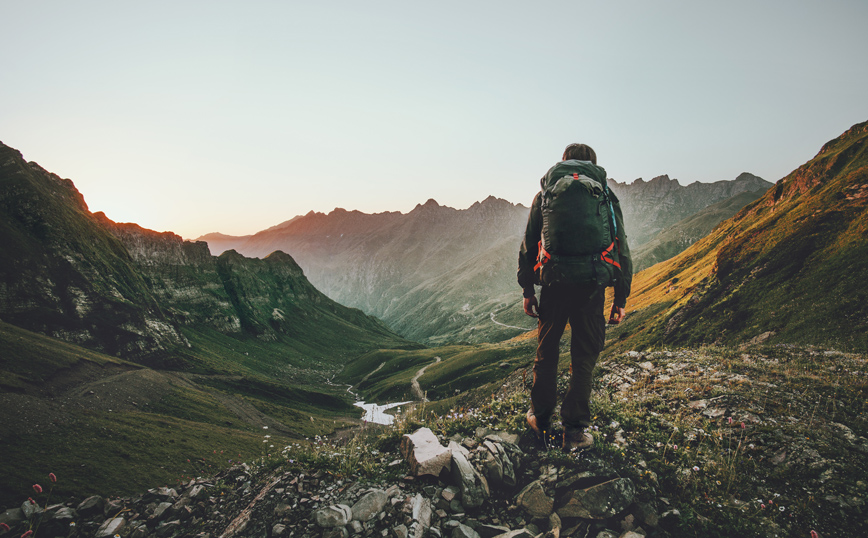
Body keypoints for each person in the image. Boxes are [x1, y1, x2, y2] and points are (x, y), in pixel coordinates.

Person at [517, 143, 632, 451]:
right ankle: (575, 432)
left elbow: (529, 245)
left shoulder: (546, 195)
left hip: (554, 285)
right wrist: (621, 298)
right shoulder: (606, 196)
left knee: (547, 353)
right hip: (592, 287)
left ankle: (541, 419)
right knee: (583, 358)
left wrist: (528, 291)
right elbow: (621, 247)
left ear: (564, 162)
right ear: (593, 164)